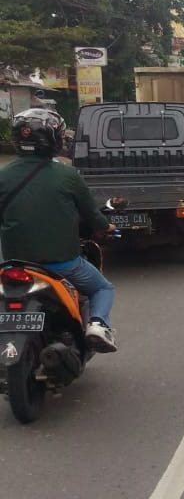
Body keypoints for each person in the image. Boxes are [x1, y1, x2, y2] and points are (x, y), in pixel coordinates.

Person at [0, 109, 119, 354]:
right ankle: (97, 325)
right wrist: (106, 227)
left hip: (13, 264)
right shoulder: (68, 175)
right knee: (102, 288)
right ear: (54, 138)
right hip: (61, 264)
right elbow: (91, 214)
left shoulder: (3, 176)